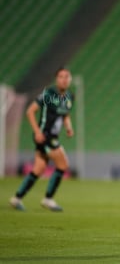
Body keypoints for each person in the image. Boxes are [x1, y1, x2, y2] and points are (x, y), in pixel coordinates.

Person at [9, 67, 74, 212]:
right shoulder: (49, 94)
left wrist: (69, 127)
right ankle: (48, 199)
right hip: (45, 136)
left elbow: (66, 114)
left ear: (70, 79)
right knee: (63, 164)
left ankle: (16, 198)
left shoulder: (70, 96)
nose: (64, 79)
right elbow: (30, 111)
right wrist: (37, 132)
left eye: (66, 76)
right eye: (61, 76)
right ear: (56, 79)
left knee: (38, 169)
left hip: (53, 137)